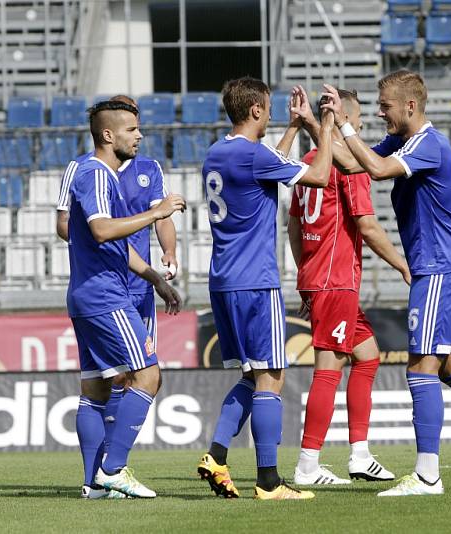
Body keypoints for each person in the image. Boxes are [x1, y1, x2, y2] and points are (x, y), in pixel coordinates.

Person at [320, 70, 451, 497]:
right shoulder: (404, 142)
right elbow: (352, 163)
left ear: (410, 107)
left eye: (385, 106)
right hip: (447, 266)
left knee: (420, 366)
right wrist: (319, 123)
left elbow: (377, 169)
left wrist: (344, 122)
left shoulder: (428, 144)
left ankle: (427, 476)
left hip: (438, 268)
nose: (380, 112)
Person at [195, 76, 335, 500]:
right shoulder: (255, 157)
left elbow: (267, 165)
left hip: (222, 281)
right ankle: (269, 481)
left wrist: (292, 127)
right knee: (272, 376)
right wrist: (323, 125)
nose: (272, 113)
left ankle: (216, 455)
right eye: (269, 108)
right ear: (255, 110)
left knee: (251, 374)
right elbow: (321, 175)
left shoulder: (217, 154)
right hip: (256, 281)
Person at [284, 86, 409, 485]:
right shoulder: (348, 164)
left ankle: (359, 454)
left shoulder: (309, 161)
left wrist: (306, 274)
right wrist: (404, 267)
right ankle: (307, 464)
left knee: (368, 354)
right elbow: (368, 227)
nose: (362, 125)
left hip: (318, 277)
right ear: (348, 120)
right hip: (336, 279)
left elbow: (293, 225)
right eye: (358, 119)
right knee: (329, 367)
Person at [56, 96, 178, 499]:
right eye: (131, 130)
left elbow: (116, 247)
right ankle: (114, 468)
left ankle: (94, 485)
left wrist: (155, 279)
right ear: (108, 135)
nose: (139, 135)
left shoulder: (101, 175)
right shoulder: (94, 174)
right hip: (106, 296)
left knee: (96, 390)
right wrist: (156, 213)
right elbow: (103, 231)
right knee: (148, 375)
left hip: (87, 295)